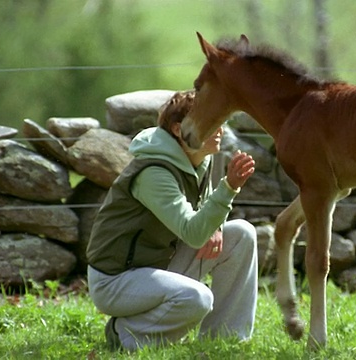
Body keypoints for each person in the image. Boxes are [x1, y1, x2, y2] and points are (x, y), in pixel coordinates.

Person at [85, 90, 258, 351]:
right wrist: (229, 188)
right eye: (208, 121)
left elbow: (205, 214)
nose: (219, 128)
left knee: (241, 234)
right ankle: (125, 334)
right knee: (197, 298)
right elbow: (192, 231)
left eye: (218, 120)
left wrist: (218, 227)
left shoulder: (200, 159)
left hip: (159, 264)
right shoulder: (154, 172)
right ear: (178, 130)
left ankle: (224, 341)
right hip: (116, 280)